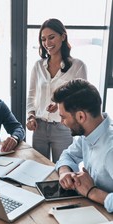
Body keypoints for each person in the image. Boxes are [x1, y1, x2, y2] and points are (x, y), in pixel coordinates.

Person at [26, 18, 87, 163]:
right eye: (43, 39)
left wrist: (61, 104)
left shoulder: (78, 66)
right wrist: (30, 116)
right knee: (38, 170)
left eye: (51, 37)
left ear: (63, 36)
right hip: (39, 128)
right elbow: (31, 96)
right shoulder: (38, 66)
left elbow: (82, 98)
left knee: (64, 170)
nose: (47, 43)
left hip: (63, 128)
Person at [52, 78, 113, 213]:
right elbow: (67, 155)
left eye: (63, 117)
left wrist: (92, 191)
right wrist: (65, 172)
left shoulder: (110, 150)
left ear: (80, 116)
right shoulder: (88, 134)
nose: (61, 122)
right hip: (93, 209)